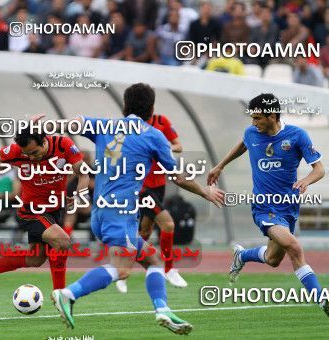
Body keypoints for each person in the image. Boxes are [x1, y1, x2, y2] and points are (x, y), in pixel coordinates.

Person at [50, 83, 224, 333]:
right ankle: (68, 294)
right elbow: (178, 177)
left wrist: (41, 126)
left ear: (124, 105)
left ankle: (162, 309)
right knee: (121, 270)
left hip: (101, 212)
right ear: (151, 109)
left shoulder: (105, 125)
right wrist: (205, 192)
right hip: (120, 214)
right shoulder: (154, 135)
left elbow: (72, 123)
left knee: (153, 260)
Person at [208, 93, 328, 316]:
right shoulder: (252, 133)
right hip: (264, 207)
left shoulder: (297, 136)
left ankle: (242, 256)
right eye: (252, 119)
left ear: (272, 115)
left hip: (289, 207)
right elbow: (243, 144)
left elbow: (319, 169)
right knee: (294, 247)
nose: (253, 123)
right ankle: (322, 299)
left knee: (273, 259)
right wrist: (220, 166)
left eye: (257, 118)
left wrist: (305, 181)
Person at [0, 129, 89, 293]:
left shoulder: (63, 145)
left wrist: (79, 194)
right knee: (62, 241)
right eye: (27, 154)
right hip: (31, 212)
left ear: (44, 141)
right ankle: (60, 294)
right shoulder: (17, 152)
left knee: (35, 259)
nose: (30, 157)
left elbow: (83, 173)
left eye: (34, 152)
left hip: (54, 210)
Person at [116, 113, 187, 293]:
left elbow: (178, 146)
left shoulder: (162, 122)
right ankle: (169, 269)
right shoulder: (128, 128)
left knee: (145, 232)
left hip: (159, 185)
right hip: (141, 187)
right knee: (168, 224)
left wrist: (160, 146)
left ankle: (123, 271)